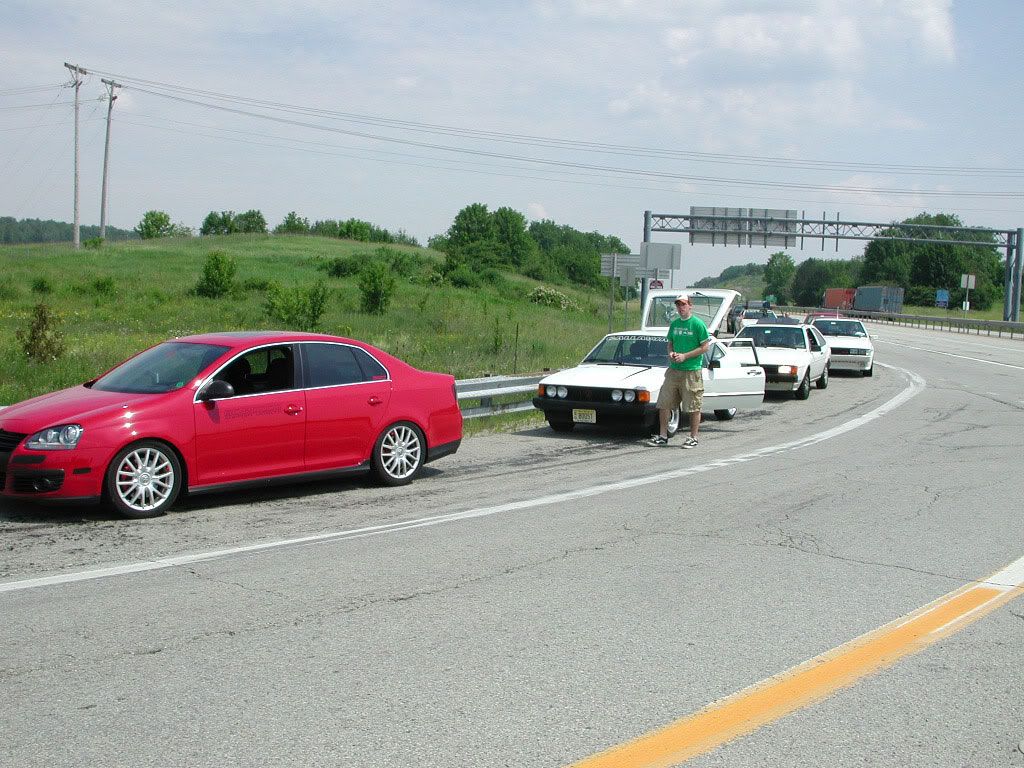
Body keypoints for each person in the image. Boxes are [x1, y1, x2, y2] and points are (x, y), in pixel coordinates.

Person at [647, 293, 710, 448]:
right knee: (664, 403)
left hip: (691, 370)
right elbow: (670, 343)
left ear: (690, 305)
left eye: (683, 304)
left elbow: (705, 347)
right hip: (674, 370)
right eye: (678, 305)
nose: (681, 308)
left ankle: (693, 437)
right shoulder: (675, 324)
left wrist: (685, 356)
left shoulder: (697, 324)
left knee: (693, 405)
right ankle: (663, 436)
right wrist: (671, 353)